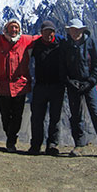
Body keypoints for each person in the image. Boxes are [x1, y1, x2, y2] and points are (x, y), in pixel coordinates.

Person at [60, 18, 97, 159]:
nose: (75, 32)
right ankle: (79, 145)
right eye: (72, 29)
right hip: (73, 86)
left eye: (77, 30)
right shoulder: (66, 45)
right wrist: (69, 81)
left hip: (89, 85)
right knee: (76, 116)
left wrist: (91, 81)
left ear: (82, 30)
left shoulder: (91, 43)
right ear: (69, 30)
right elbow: (62, 65)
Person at [0, 18, 38, 152]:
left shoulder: (26, 40)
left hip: (20, 86)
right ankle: (10, 136)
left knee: (17, 115)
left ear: (19, 29)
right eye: (11, 27)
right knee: (5, 115)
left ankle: (11, 141)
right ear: (6, 28)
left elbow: (40, 38)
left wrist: (57, 37)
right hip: (3, 86)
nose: (14, 30)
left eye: (16, 27)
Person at [28, 20, 65, 156]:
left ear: (54, 32)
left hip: (57, 86)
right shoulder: (36, 45)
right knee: (37, 117)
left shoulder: (61, 44)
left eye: (51, 31)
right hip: (40, 86)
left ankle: (52, 145)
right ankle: (36, 144)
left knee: (55, 117)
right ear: (41, 33)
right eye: (45, 31)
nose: (48, 34)